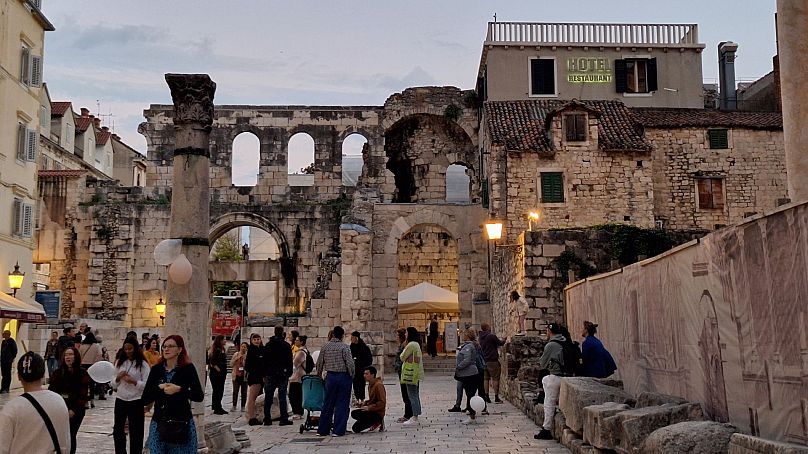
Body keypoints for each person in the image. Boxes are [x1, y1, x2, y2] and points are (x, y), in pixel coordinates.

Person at [142, 335, 204, 452]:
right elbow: (145, 398)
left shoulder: (188, 368)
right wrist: (159, 389)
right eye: (164, 346)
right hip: (160, 422)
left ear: (179, 350)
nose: (166, 349)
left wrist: (179, 390)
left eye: (170, 346)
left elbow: (198, 395)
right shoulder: (157, 369)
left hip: (181, 423)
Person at [0, 352, 71, 453]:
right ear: (43, 374)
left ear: (19, 376)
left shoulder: (12, 408)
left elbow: (2, 447)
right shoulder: (58, 401)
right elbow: (65, 443)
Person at [49, 346, 91, 454]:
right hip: (60, 408)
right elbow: (52, 391)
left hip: (76, 409)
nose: (68, 357)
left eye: (71, 354)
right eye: (66, 355)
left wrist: (74, 410)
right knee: (60, 435)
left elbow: (83, 393)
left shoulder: (82, 373)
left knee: (71, 434)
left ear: (75, 356)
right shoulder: (58, 373)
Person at [112, 338, 150, 454]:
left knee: (136, 431)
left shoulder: (143, 365)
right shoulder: (120, 362)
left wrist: (134, 382)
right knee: (118, 430)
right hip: (121, 399)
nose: (128, 351)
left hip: (136, 400)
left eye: (130, 348)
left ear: (135, 349)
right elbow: (112, 383)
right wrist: (118, 378)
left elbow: (148, 385)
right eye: (126, 349)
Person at [315, 326, 355, 437]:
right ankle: (338, 430)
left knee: (328, 403)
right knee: (342, 403)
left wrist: (319, 374)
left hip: (330, 376)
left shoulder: (325, 346)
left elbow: (319, 363)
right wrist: (352, 374)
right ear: (342, 335)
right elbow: (350, 363)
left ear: (333, 334)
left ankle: (323, 430)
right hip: (343, 376)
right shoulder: (345, 347)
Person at [534, 323, 567, 440]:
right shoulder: (565, 341)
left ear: (549, 331)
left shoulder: (551, 345)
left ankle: (546, 429)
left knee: (549, 403)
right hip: (568, 377)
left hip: (556, 376)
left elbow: (542, 364)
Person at [263, 325, 293, 426]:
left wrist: (265, 372)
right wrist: (288, 373)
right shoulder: (286, 345)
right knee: (282, 397)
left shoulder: (268, 345)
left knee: (268, 397)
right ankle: (283, 418)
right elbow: (289, 361)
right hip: (282, 374)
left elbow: (265, 360)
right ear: (282, 332)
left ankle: (267, 418)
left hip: (270, 374)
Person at [399, 326, 424, 426]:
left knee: (412, 395)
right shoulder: (417, 344)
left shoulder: (411, 345)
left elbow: (402, 357)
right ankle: (416, 414)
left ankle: (414, 416)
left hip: (410, 373)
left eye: (406, 333)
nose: (405, 334)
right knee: (415, 395)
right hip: (416, 372)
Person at [454, 328, 480, 424]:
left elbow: (467, 359)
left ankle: (471, 416)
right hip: (468, 373)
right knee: (469, 394)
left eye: (464, 334)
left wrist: (459, 366)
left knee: (470, 394)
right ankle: (471, 414)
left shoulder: (469, 346)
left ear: (468, 336)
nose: (462, 336)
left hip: (469, 373)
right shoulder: (468, 346)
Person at [351, 366, 386, 433]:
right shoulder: (371, 384)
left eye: (367, 374)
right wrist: (365, 403)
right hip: (372, 410)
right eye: (364, 374)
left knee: (356, 426)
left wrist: (369, 408)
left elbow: (382, 402)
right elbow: (372, 400)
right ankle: (373, 422)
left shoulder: (378, 385)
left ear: (372, 375)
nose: (364, 376)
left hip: (377, 413)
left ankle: (378, 421)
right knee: (354, 415)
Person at [479, 323, 506, 404]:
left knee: (486, 379)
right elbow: (500, 343)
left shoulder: (480, 337)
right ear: (487, 328)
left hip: (484, 360)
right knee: (495, 378)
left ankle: (486, 396)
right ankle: (496, 397)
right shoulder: (491, 336)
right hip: (492, 360)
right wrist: (504, 339)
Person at [244, 333, 265, 426]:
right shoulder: (252, 351)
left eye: (258, 339)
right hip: (255, 377)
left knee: (257, 397)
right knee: (252, 398)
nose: (257, 341)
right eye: (255, 339)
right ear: (252, 341)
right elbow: (248, 366)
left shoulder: (260, 350)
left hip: (260, 377)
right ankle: (251, 417)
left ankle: (256, 416)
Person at [393, 328, 413, 423]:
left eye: (397, 335)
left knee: (406, 394)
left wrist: (398, 366)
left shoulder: (405, 345)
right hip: (401, 371)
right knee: (405, 393)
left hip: (404, 371)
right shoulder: (403, 345)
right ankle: (409, 413)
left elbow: (403, 358)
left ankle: (408, 414)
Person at [78, 332, 103, 406]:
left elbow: (79, 356)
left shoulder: (82, 346)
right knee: (92, 384)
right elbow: (99, 355)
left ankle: (86, 402)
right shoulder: (97, 346)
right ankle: (92, 400)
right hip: (93, 366)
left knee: (84, 384)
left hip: (83, 366)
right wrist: (95, 363)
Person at [207, 335, 229, 415]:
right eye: (224, 339)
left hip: (221, 373)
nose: (225, 341)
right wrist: (219, 370)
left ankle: (218, 406)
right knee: (217, 390)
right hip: (216, 374)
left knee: (220, 390)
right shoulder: (217, 350)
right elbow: (212, 362)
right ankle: (217, 408)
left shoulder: (222, 349)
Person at [288, 335, 309, 420]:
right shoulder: (304, 351)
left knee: (294, 394)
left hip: (297, 376)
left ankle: (297, 412)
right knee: (297, 394)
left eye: (297, 340)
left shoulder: (301, 352)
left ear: (301, 342)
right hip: (299, 375)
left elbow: (295, 364)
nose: (295, 341)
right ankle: (298, 411)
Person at [349, 331, 372, 401]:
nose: (351, 339)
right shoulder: (351, 347)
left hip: (362, 369)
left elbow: (369, 359)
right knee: (355, 384)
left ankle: (362, 398)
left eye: (352, 338)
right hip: (354, 369)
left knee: (361, 384)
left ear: (356, 338)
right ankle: (357, 398)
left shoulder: (364, 347)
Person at [230, 341, 248, 412]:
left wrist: (244, 359)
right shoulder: (236, 354)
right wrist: (236, 358)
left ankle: (243, 406)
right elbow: (231, 364)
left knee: (244, 392)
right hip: (236, 375)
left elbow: (247, 365)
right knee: (235, 391)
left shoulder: (247, 356)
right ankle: (234, 405)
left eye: (245, 347)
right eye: (242, 346)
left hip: (244, 376)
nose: (243, 348)